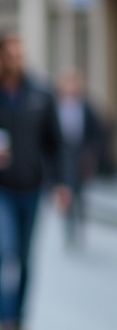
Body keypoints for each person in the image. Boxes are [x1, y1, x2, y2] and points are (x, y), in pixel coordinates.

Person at [0, 33, 64, 330]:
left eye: (21, 54)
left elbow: (55, 142)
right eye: (11, 54)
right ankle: (1, 325)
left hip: (32, 188)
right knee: (2, 253)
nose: (17, 60)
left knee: (24, 257)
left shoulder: (40, 94)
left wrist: (61, 183)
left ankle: (19, 322)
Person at [55, 68, 104, 248]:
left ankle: (80, 227)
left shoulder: (85, 106)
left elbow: (97, 132)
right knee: (67, 192)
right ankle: (69, 228)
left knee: (80, 195)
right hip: (64, 155)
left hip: (81, 157)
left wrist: (92, 154)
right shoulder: (55, 104)